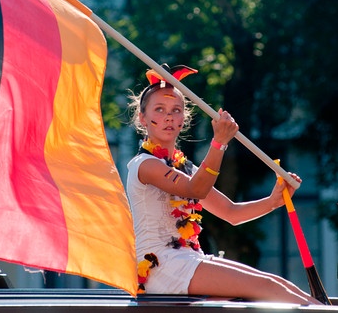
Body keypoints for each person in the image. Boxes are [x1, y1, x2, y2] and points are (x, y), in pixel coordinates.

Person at [126, 65, 322, 304]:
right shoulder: (144, 165)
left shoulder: (185, 167)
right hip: (162, 266)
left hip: (189, 260)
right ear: (142, 118)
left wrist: (273, 201)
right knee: (268, 287)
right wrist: (219, 144)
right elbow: (196, 190)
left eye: (176, 110)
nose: (169, 116)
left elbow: (231, 213)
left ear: (183, 120)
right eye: (159, 109)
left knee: (280, 284)